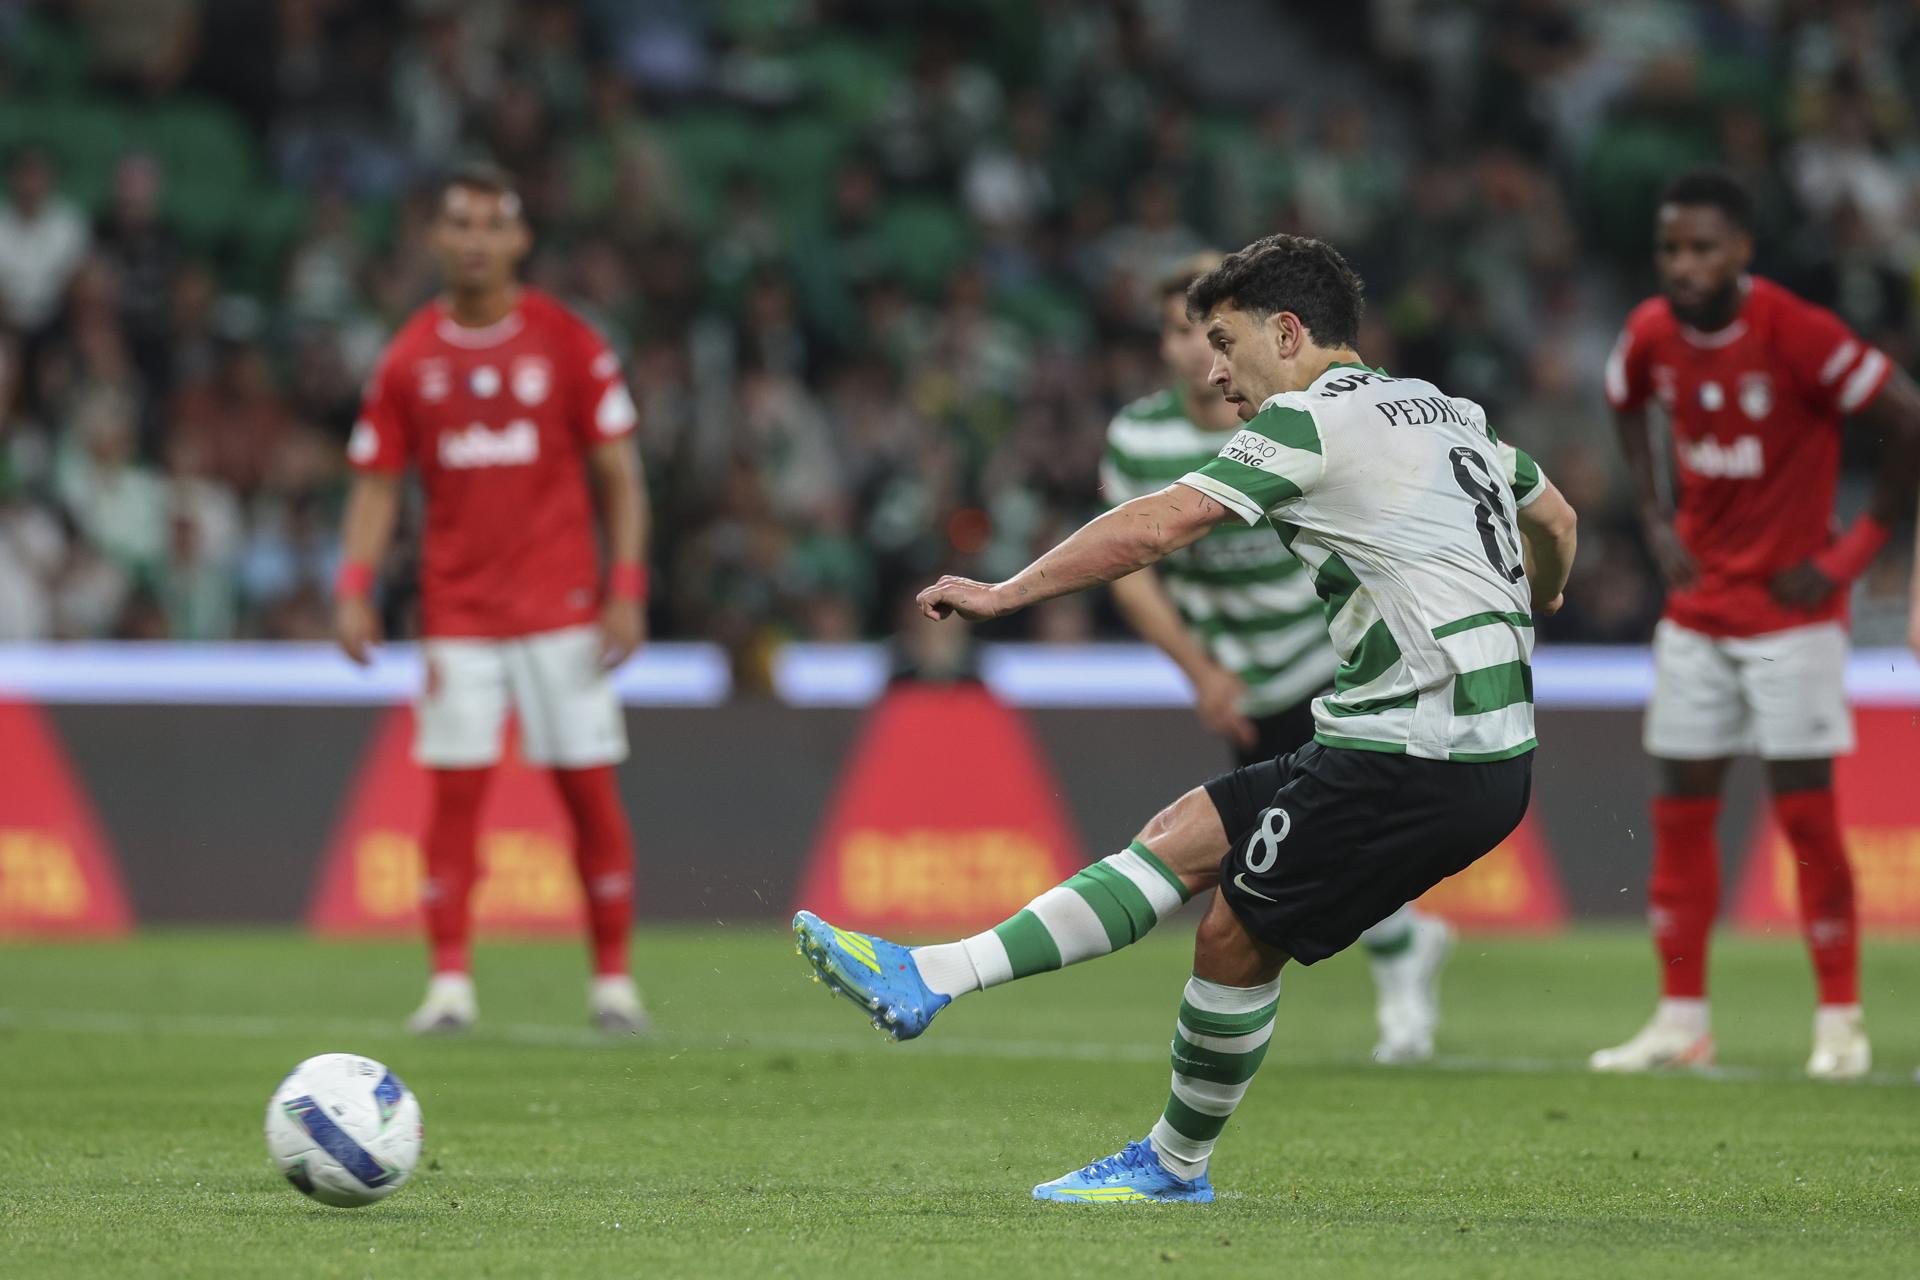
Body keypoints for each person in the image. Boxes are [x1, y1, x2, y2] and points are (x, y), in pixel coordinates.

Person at [793, 233, 1578, 1203]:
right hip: (1440, 740)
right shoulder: (1453, 413)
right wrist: (1536, 600)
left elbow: (1157, 523)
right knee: (1184, 835)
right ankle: (932, 973)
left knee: (1234, 935)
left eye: (1226, 340)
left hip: (1418, 750)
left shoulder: (1312, 422)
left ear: (1287, 333)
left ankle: (1174, 1164)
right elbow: (1558, 521)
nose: (1215, 370)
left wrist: (1005, 594)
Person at [1591, 170, 1920, 1081]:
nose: (1684, 265)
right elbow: (1622, 401)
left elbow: (1908, 417)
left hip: (1793, 617)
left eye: (1703, 248)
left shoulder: (1798, 332)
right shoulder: (1651, 332)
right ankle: (1681, 1020)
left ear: (1742, 251)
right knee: (1680, 815)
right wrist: (1655, 517)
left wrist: (1852, 556)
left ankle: (1841, 1023)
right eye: (1671, 249)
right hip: (1697, 615)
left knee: (1807, 819)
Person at [1103, 252, 1450, 1064]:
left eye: (1212, 336)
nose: (1198, 354)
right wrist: (1201, 672)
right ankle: (1405, 945)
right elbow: (1134, 573)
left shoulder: (1283, 415)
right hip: (1241, 677)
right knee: (1298, 841)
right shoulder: (1138, 437)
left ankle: (1398, 975)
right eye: (1180, 333)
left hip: (1320, 658)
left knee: (1296, 843)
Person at [333, 163, 652, 1034]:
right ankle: (448, 986)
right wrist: (353, 586)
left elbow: (620, 476)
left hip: (563, 609)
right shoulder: (409, 359)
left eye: (491, 224)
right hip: (459, 616)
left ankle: (614, 983)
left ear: (520, 239)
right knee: (455, 798)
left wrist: (626, 587)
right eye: (459, 223)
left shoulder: (569, 343)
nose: (474, 240)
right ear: (436, 238)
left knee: (587, 792)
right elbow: (375, 485)